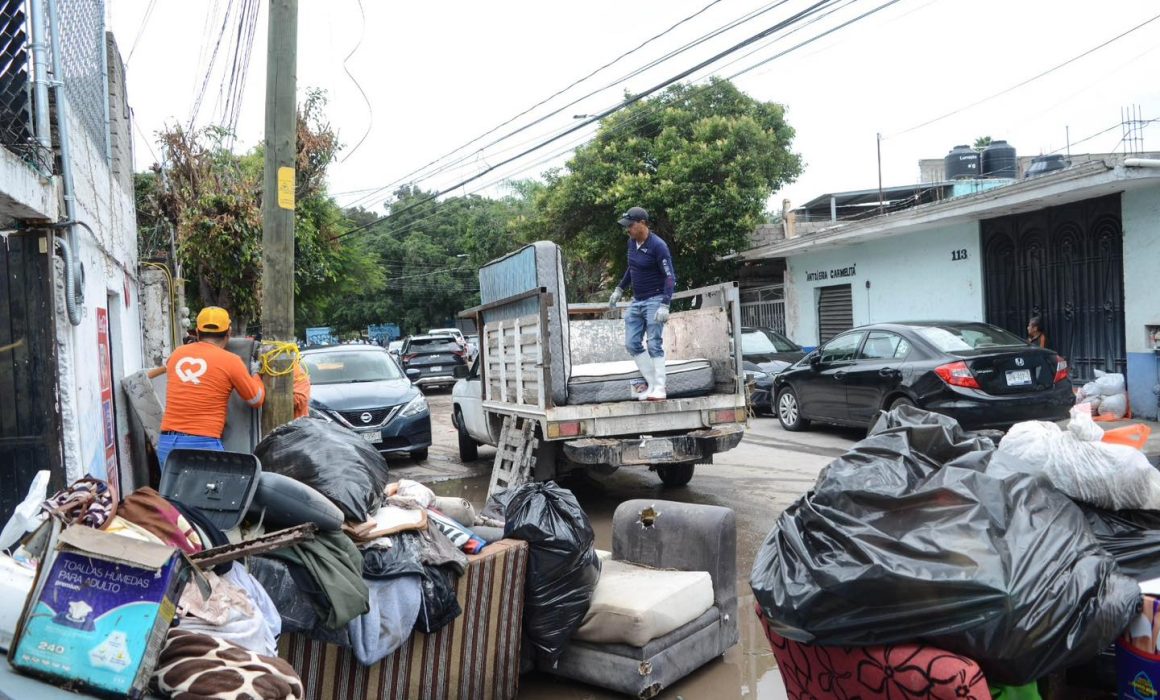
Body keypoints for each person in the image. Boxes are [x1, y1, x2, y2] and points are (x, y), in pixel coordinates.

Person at [157, 306, 266, 468]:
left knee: (172, 493)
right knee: (210, 493)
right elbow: (256, 399)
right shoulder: (231, 361)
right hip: (202, 445)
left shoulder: (176, 355)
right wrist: (256, 373)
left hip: (167, 444)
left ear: (197, 332)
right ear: (228, 332)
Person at [608, 206, 676, 400]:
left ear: (643, 224)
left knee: (654, 343)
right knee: (631, 343)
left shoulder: (658, 246)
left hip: (655, 299)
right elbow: (632, 268)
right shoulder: (632, 243)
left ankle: (660, 388)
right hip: (638, 300)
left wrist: (665, 303)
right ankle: (652, 385)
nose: (628, 229)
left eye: (630, 225)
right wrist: (619, 289)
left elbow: (670, 277)